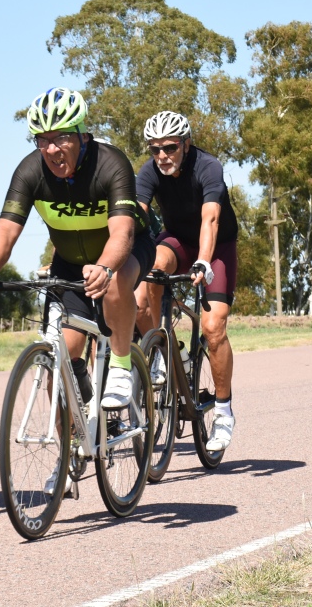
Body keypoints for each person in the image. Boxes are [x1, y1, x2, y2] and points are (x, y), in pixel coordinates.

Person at [0, 85, 154, 423]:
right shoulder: (30, 171)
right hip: (70, 264)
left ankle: (122, 366)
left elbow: (122, 233)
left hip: (126, 251)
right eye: (42, 139)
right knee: (62, 355)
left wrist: (106, 267)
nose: (51, 149)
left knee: (114, 284)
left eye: (62, 138)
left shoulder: (111, 164)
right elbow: (8, 227)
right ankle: (67, 456)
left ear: (83, 135)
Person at [134, 110, 239, 453]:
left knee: (213, 328)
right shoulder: (150, 171)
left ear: (186, 143)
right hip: (177, 241)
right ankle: (160, 351)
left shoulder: (208, 167)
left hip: (216, 247)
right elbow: (136, 216)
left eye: (170, 147)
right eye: (155, 149)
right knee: (149, 272)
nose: (162, 155)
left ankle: (223, 411)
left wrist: (204, 261)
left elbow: (210, 220)